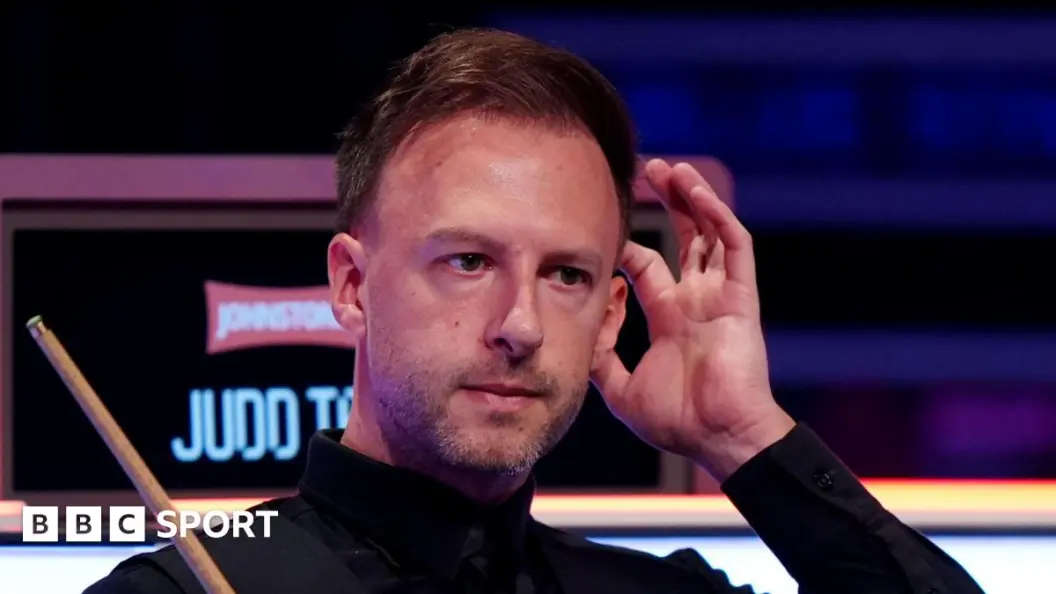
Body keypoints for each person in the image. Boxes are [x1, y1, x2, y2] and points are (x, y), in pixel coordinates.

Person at [84, 28, 986, 594]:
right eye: (469, 262)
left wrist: (745, 438)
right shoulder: (181, 591)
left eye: (565, 275)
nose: (519, 324)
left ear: (609, 317)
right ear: (353, 287)